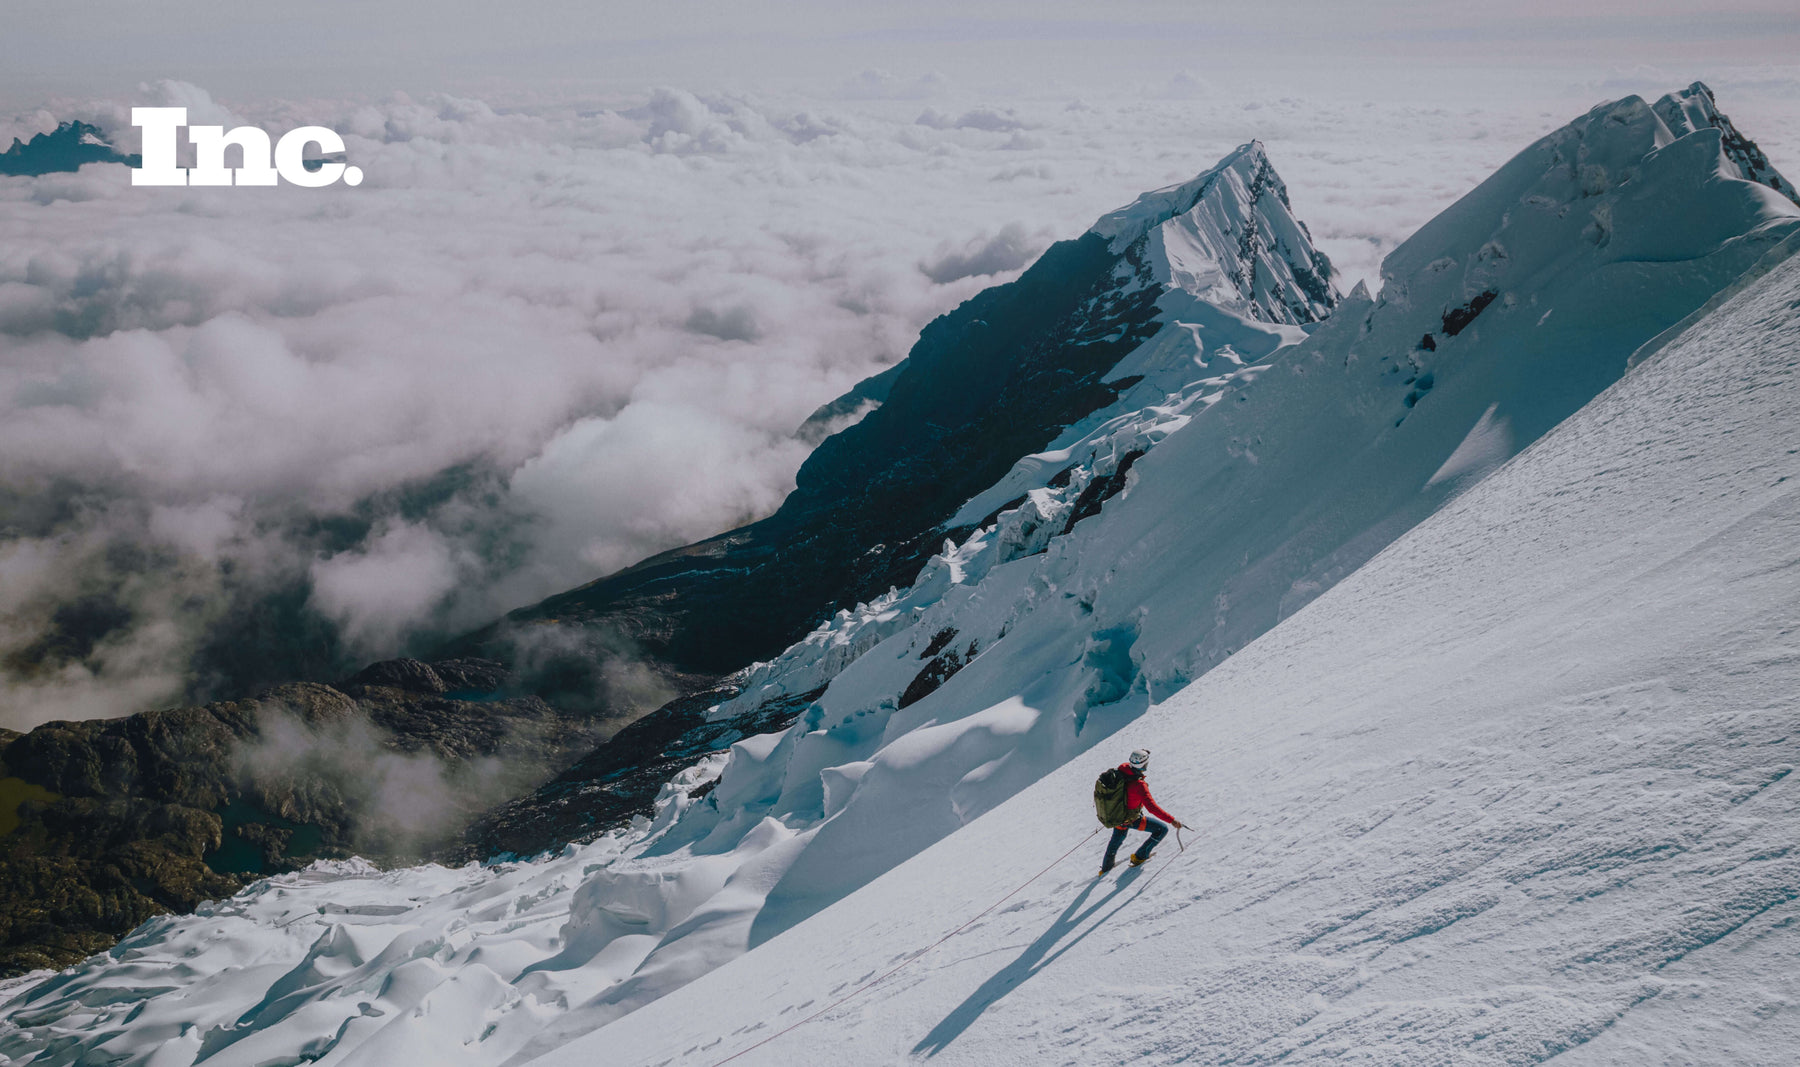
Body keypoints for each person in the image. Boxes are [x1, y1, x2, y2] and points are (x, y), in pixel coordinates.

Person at [1101, 748, 1183, 874]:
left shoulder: (1122, 771)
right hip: (1131, 818)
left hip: (1116, 816)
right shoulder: (1139, 785)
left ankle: (1105, 869)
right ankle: (1140, 857)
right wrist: (1172, 820)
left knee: (1115, 842)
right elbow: (1152, 808)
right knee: (1161, 829)